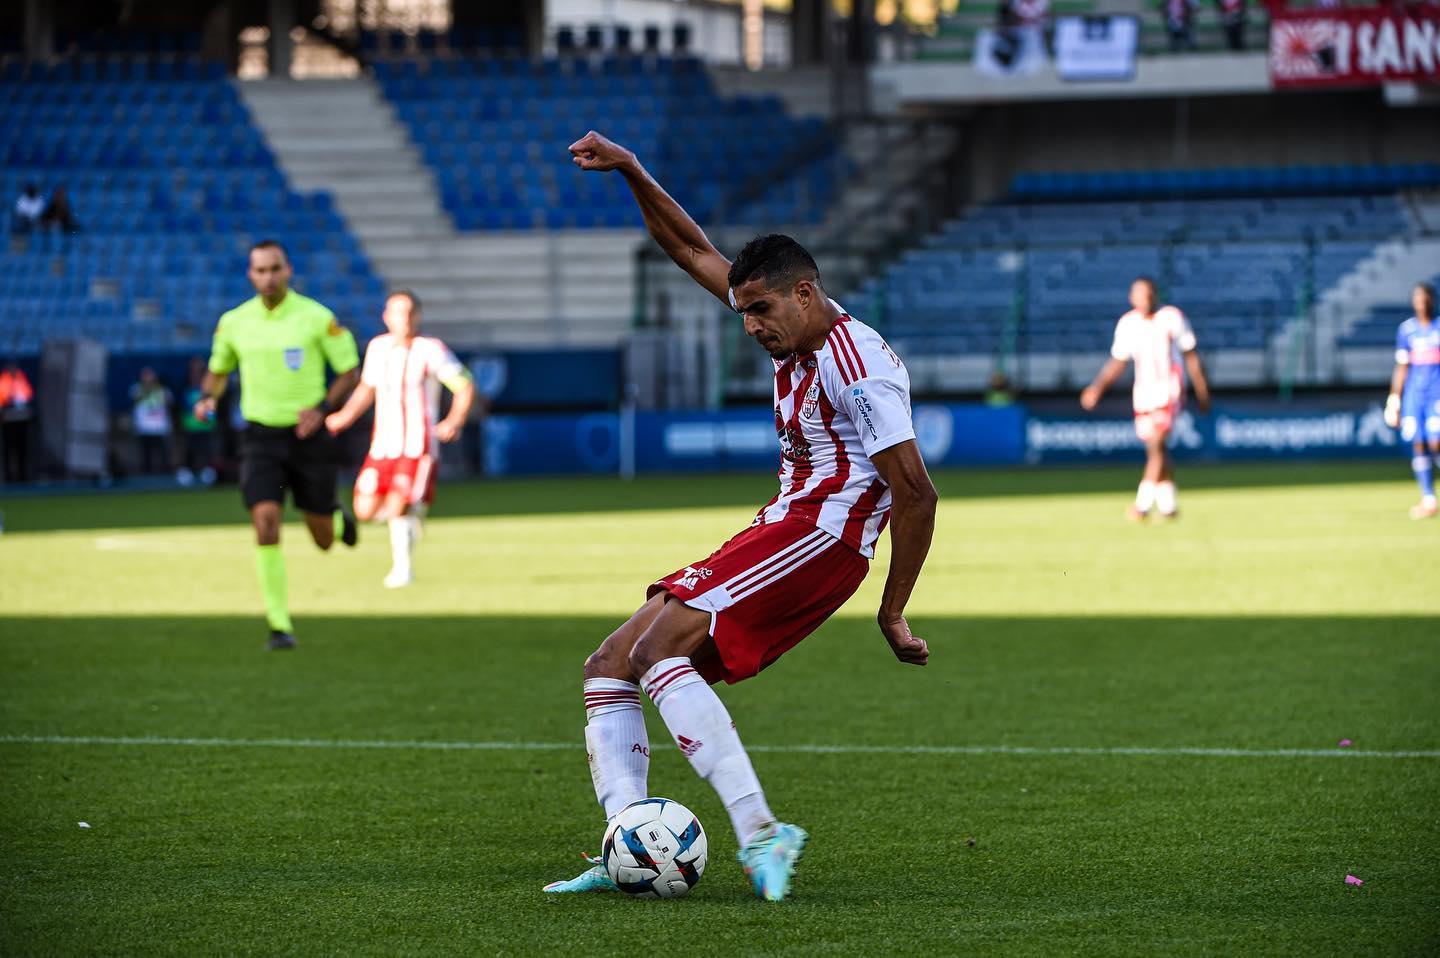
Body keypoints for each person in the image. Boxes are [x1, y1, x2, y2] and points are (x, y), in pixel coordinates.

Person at [543, 131, 937, 903]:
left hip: (822, 537)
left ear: (804, 292)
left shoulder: (854, 369)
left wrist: (893, 611)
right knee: (607, 666)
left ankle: (762, 830)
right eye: (742, 311)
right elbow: (691, 250)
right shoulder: (789, 327)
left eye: (761, 311)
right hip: (780, 524)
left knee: (659, 649)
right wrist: (631, 169)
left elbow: (915, 492)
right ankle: (630, 841)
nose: (751, 327)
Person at [192, 240, 361, 651]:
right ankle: (279, 625)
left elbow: (349, 372)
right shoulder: (234, 322)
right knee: (265, 522)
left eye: (275, 269)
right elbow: (218, 370)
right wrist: (208, 398)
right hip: (260, 436)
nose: (268, 277)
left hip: (308, 436)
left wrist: (321, 408)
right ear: (250, 275)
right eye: (260, 271)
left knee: (321, 539)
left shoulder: (317, 318)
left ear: (288, 271)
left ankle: (335, 519)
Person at [324, 290, 475, 588]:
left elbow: (464, 384)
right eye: (397, 312)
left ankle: (403, 569)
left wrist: (454, 419)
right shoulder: (378, 348)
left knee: (397, 506)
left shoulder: (431, 349)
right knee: (364, 510)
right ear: (386, 316)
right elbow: (367, 388)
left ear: (417, 316)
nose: (403, 319)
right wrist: (344, 416)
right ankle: (414, 511)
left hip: (417, 446)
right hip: (383, 446)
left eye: (408, 313)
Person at [1080, 277, 1211, 520]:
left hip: (1169, 391)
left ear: (1156, 295)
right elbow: (1118, 361)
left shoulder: (1172, 318)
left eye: (1149, 294)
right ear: (1132, 297)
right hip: (1143, 394)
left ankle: (1142, 504)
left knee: (1156, 445)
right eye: (1140, 294)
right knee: (1156, 450)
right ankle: (1168, 505)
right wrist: (1097, 388)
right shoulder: (1128, 324)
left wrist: (1202, 391)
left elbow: (1191, 356)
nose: (1145, 298)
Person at [1382, 282, 1440, 520]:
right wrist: (1394, 398)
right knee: (1418, 443)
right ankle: (1428, 499)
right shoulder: (1407, 330)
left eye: (1424, 298)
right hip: (1415, 397)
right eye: (1417, 298)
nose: (1421, 302)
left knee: (1436, 443)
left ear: (1431, 300)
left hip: (1437, 395)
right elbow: (1402, 366)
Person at [179, 356, 218, 486]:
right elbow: (184, 407)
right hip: (191, 426)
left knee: (207, 451)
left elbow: (212, 408)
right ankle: (187, 472)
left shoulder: (208, 390)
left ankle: (208, 474)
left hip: (205, 427)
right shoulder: (186, 388)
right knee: (190, 450)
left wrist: (209, 418)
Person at [130, 366, 175, 474]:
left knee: (164, 455)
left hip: (160, 428)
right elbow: (135, 399)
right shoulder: (136, 388)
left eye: (149, 376)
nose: (148, 379)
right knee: (146, 455)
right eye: (145, 376)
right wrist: (147, 389)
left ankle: (167, 476)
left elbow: (171, 403)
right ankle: (146, 477)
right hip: (144, 429)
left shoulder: (162, 389)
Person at [0, 360, 34, 483]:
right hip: (8, 420)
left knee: (22, 451)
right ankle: (9, 479)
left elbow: (28, 394)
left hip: (22, 419)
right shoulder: (4, 380)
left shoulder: (21, 378)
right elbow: (3, 398)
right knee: (9, 451)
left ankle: (23, 478)